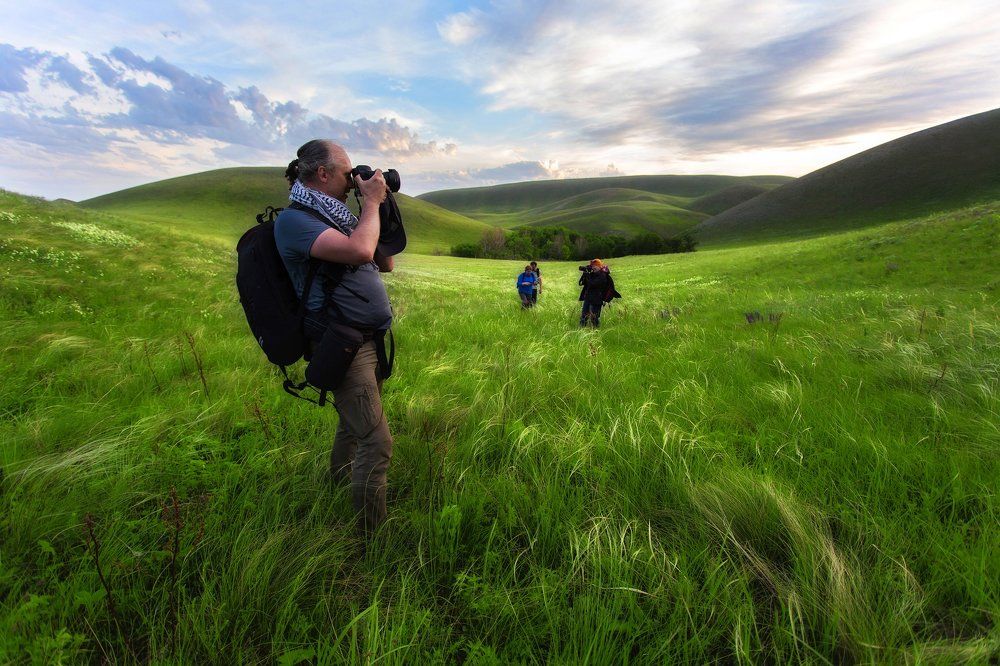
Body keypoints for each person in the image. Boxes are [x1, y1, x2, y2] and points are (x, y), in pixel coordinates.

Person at [274, 139, 395, 536]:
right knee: (376, 442)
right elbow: (361, 251)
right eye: (346, 172)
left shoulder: (338, 215)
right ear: (322, 174)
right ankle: (369, 538)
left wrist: (381, 204)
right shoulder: (295, 221)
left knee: (351, 426)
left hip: (366, 340)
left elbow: (385, 260)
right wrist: (372, 205)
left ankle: (336, 487)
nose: (352, 178)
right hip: (340, 344)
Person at [578, 258, 617, 327]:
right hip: (588, 298)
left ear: (599, 266)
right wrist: (585, 273)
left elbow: (593, 284)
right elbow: (583, 283)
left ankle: (596, 331)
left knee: (594, 318)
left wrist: (587, 275)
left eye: (595, 266)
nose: (593, 267)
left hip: (596, 299)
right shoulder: (592, 274)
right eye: (592, 266)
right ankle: (581, 329)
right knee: (583, 317)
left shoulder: (603, 275)